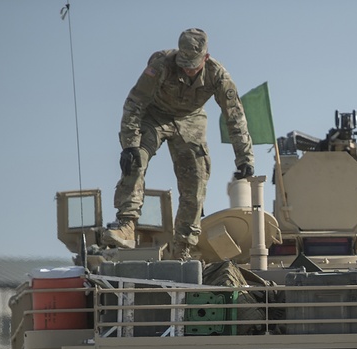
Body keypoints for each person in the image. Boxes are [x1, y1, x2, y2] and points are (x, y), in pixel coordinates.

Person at [103, 28, 254, 260]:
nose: (187, 69)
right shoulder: (162, 65)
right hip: (155, 115)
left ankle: (184, 246)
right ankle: (127, 224)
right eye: (184, 63)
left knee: (196, 179)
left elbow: (234, 116)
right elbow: (135, 102)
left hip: (190, 120)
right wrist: (130, 144)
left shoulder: (218, 75)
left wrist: (245, 157)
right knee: (136, 159)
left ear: (205, 57)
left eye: (193, 64)